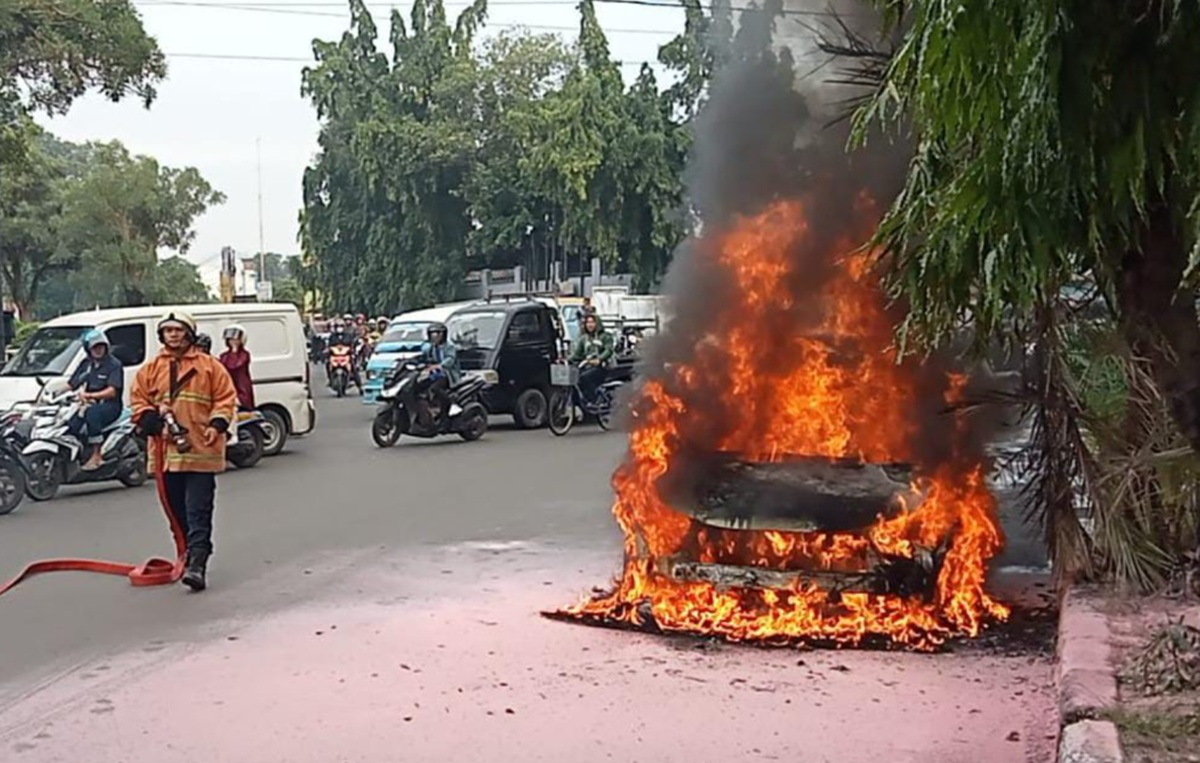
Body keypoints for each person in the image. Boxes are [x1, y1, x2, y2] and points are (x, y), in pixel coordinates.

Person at [131, 312, 238, 592]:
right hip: (165, 455)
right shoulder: (151, 368)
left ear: (188, 333)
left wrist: (218, 424)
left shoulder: (210, 367)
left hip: (201, 450)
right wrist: (148, 419)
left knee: (198, 511)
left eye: (178, 330)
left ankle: (197, 564)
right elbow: (138, 399)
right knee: (176, 511)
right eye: (168, 331)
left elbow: (226, 399)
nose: (173, 335)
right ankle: (186, 552)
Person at [66, 329, 125, 470]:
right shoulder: (86, 364)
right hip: (87, 404)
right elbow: (71, 384)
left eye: (101, 346)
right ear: (88, 349)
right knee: (69, 423)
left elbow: (112, 392)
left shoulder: (114, 365)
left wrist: (90, 396)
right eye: (94, 347)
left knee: (92, 413)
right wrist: (49, 392)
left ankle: (97, 455)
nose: (98, 350)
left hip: (110, 406)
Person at [415, 322, 460, 427]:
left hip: (448, 375)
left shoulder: (450, 347)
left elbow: (450, 359)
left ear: (443, 334)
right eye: (432, 333)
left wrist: (439, 366)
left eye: (437, 333)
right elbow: (424, 357)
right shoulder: (431, 348)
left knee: (435, 389)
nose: (434, 336)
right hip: (434, 374)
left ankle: (451, 404)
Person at [569, 313, 614, 407]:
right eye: (588, 322)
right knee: (574, 379)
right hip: (586, 366)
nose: (590, 325)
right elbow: (577, 354)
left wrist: (600, 359)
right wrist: (566, 359)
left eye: (592, 322)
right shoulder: (584, 339)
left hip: (601, 367)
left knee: (584, 378)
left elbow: (608, 350)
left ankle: (593, 400)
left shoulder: (605, 336)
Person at [219, 325, 256, 410]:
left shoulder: (244, 355)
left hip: (242, 390)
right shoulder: (223, 356)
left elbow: (234, 366)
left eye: (236, 340)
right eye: (230, 340)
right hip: (228, 389)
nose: (233, 342)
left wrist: (234, 351)